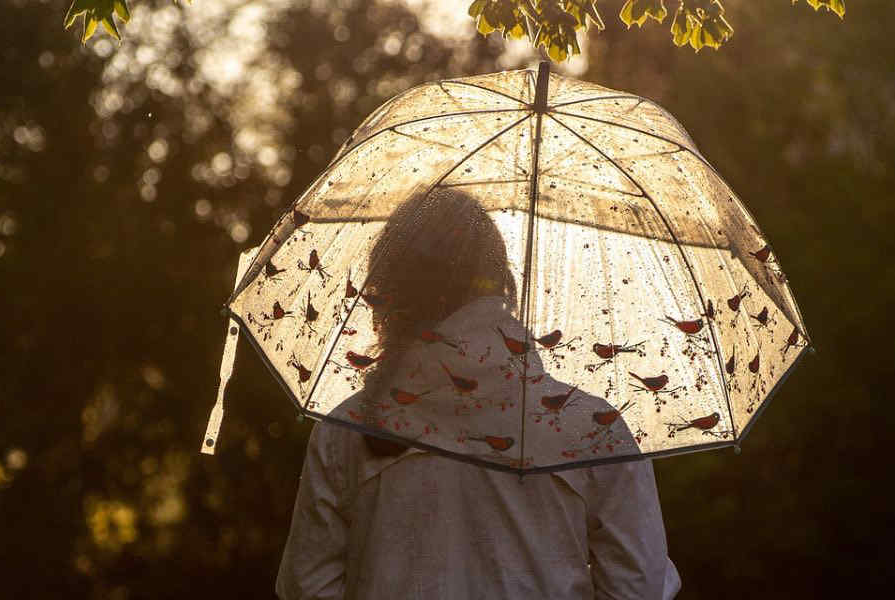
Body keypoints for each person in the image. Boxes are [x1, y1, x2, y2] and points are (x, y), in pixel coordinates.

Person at [275, 189, 681, 599]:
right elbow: (638, 588)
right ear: (501, 284)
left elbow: (307, 587)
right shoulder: (592, 429)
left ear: (389, 292)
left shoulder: (349, 430)